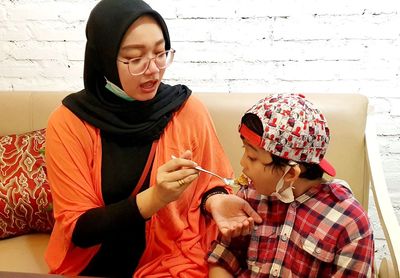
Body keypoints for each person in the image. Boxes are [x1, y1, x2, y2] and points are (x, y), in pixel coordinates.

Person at [44, 0, 261, 277]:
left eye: (161, 53)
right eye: (135, 58)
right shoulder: (69, 122)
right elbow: (79, 229)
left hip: (173, 259)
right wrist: (157, 197)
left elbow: (212, 182)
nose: (153, 69)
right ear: (105, 58)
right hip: (95, 263)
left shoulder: (186, 108)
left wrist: (217, 201)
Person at [207, 93, 375, 277]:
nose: (242, 163)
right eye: (244, 150)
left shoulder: (350, 224)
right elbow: (222, 258)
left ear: (291, 173)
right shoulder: (250, 195)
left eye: (252, 157)